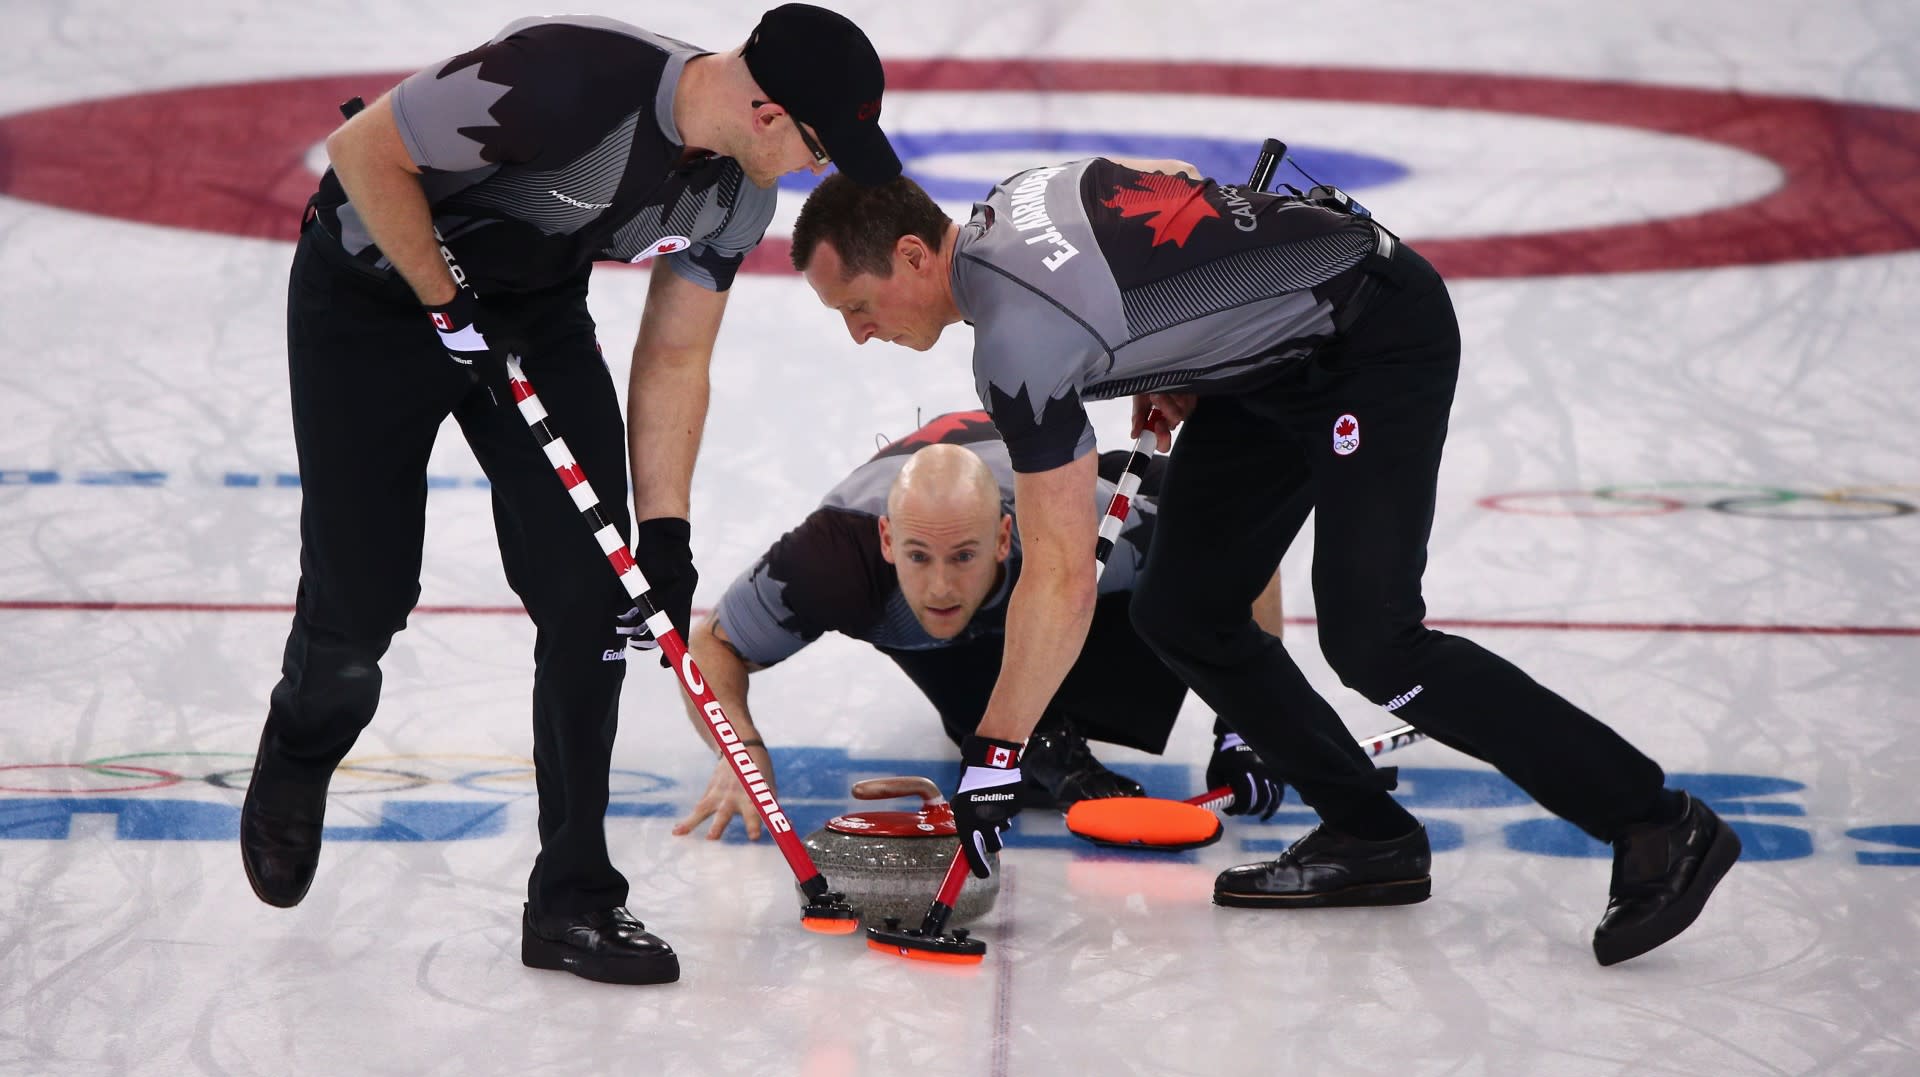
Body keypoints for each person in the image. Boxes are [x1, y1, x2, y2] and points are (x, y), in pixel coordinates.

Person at [786, 157, 1741, 967]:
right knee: (1182, 611)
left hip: (1372, 340)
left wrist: (994, 755)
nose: (859, 333)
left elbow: (1061, 579)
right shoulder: (1022, 192)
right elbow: (1186, 200)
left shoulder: (1018, 347)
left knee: (1377, 645)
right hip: (1262, 366)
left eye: (859, 305)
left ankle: (1655, 823)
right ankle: (1372, 836)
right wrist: (1177, 358)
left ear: (915, 255)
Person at [239, 5, 900, 987]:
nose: (812, 167)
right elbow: (363, 149)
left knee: (597, 594)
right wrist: (439, 296)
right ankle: (300, 745)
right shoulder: (569, 80)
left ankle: (574, 899)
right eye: (814, 144)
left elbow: (676, 354)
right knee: (361, 606)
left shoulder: (736, 200)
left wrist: (665, 539)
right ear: (768, 112)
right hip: (375, 291)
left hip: (530, 315)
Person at [668, 410, 1287, 841]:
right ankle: (1037, 736)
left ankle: (1039, 715)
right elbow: (711, 646)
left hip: (1061, 562)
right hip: (943, 622)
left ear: (1003, 537)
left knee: (1176, 599)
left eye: (963, 555)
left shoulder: (1088, 525)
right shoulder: (831, 561)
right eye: (918, 556)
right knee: (945, 639)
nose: (939, 584)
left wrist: (1248, 728)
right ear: (886, 539)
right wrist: (741, 754)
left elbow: (1243, 537)